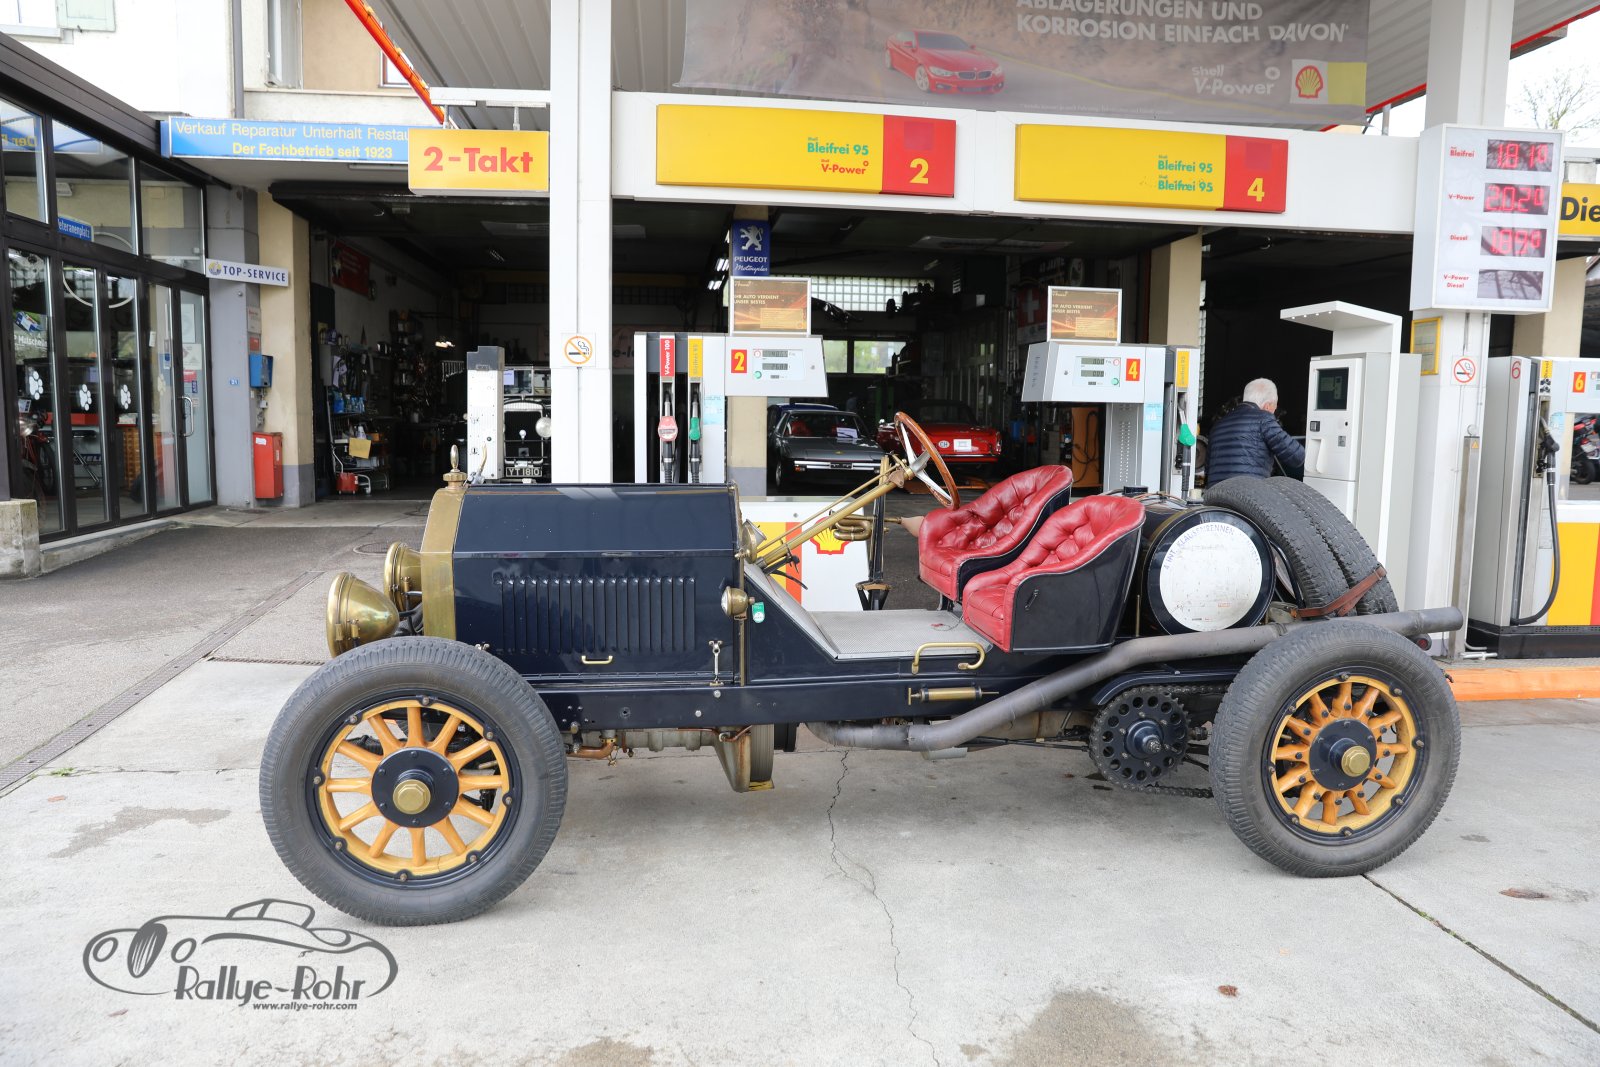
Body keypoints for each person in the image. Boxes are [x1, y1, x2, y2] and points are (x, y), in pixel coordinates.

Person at [1205, 378, 1305, 485]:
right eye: (1274, 408)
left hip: (1216, 493)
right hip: (1247, 492)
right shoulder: (1264, 419)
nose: (1273, 413)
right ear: (1268, 406)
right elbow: (1297, 456)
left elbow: (1207, 468)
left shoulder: (1218, 425)